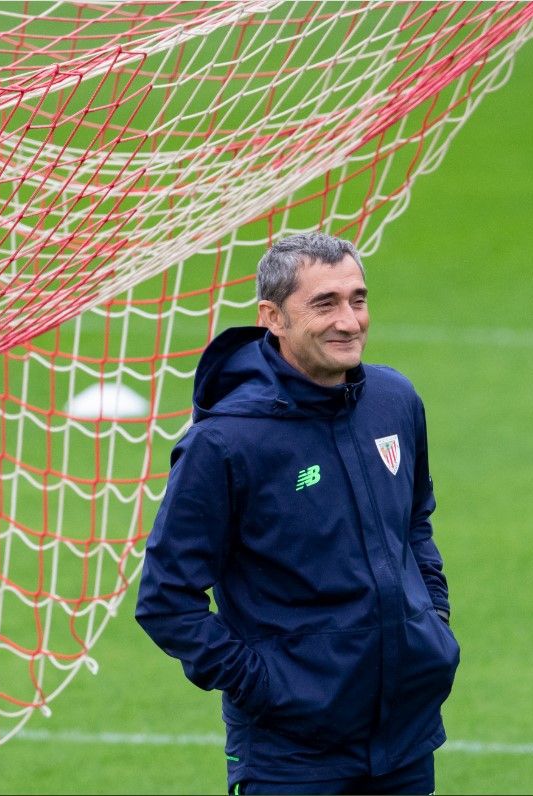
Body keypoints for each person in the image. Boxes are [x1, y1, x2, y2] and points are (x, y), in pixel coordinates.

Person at [135, 232, 460, 795]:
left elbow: (414, 523)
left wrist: (430, 622)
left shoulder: (394, 400)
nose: (349, 321)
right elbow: (166, 601)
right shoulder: (225, 443)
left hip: (405, 735)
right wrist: (269, 686)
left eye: (357, 299)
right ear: (273, 317)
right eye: (324, 303)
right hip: (291, 758)